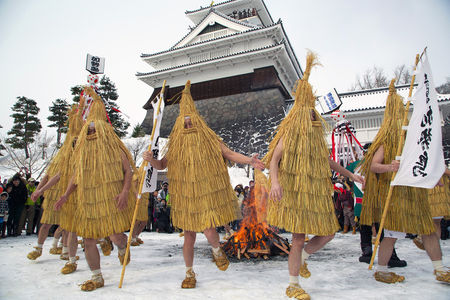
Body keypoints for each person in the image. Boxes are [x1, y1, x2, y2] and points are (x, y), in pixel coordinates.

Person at [143, 81, 265, 289]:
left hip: (204, 194)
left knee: (209, 229)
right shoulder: (176, 145)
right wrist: (150, 160)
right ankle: (189, 273)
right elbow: (162, 164)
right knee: (188, 236)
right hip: (184, 196)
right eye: (185, 123)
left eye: (191, 122)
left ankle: (217, 250)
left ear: (197, 121)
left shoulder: (209, 140)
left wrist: (249, 160)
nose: (188, 126)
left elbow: (229, 153)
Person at [264, 52, 365, 300]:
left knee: (329, 232)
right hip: (296, 191)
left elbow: (328, 161)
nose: (312, 118)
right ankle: (293, 284)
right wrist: (275, 182)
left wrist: (352, 176)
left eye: (314, 114)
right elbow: (274, 160)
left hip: (315, 192)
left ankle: (304, 258)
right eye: (309, 114)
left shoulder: (315, 139)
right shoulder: (290, 135)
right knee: (298, 237)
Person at [360, 80, 448, 283]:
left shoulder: (411, 139)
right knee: (391, 235)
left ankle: (440, 269)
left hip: (414, 194)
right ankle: (382, 270)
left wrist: (434, 179)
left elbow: (421, 164)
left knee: (428, 231)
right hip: (396, 198)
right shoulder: (385, 141)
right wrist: (389, 168)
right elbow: (373, 166)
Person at [54, 96, 137, 291]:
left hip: (110, 200)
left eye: (94, 129)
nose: (91, 132)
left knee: (116, 236)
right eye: (88, 130)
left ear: (103, 131)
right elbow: (75, 177)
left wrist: (125, 191)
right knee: (89, 239)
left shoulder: (116, 150)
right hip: (88, 201)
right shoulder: (82, 152)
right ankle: (96, 276)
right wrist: (66, 195)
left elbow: (128, 172)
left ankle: (123, 247)